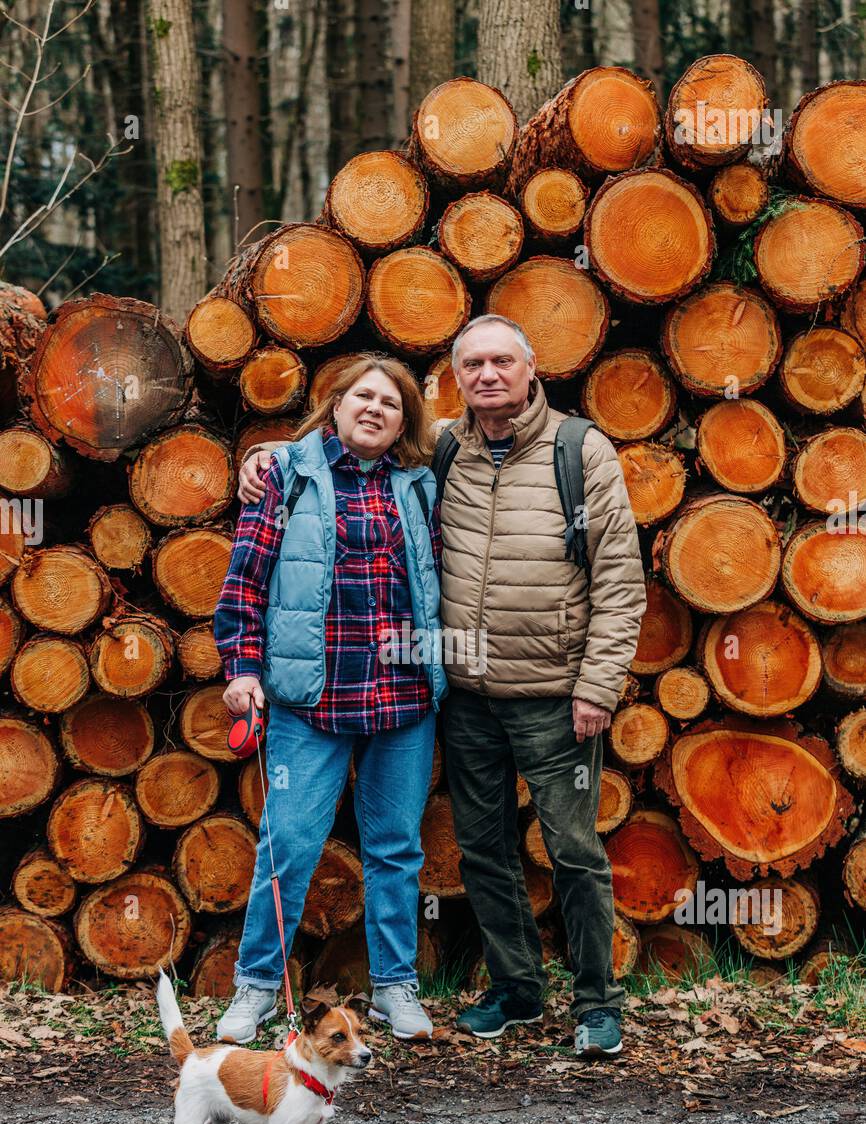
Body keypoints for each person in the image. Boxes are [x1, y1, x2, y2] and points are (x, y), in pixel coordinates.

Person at [239, 316, 646, 1060]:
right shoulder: (445, 450)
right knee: (481, 849)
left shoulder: (576, 450)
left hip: (552, 694)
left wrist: (598, 684)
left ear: (531, 368)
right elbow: (333, 459)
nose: (489, 375)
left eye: (502, 361)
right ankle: (517, 991)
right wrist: (264, 456)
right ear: (456, 379)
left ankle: (596, 1001)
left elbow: (619, 579)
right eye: (473, 364)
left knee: (572, 849)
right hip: (459, 694)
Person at [214, 354, 447, 1045]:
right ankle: (256, 986)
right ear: (336, 404)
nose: (375, 409)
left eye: (391, 404)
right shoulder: (288, 475)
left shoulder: (418, 483)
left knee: (396, 849)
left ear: (404, 422)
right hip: (309, 698)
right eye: (363, 396)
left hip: (402, 699)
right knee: (287, 843)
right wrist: (241, 666)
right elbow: (245, 581)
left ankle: (395, 986)